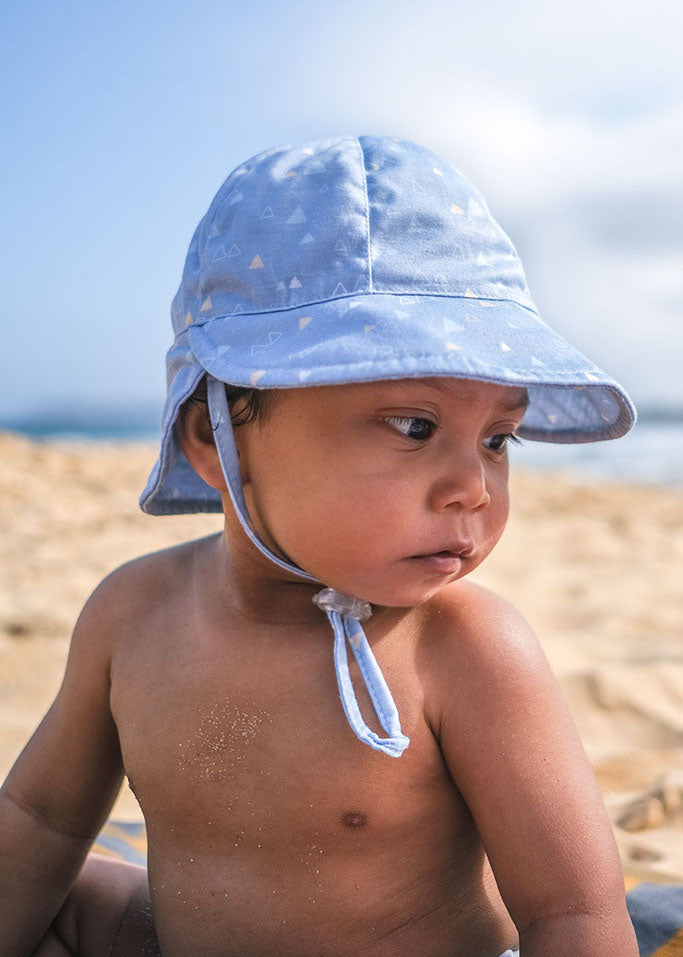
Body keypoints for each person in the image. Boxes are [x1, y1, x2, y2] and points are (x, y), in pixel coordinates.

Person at [0, 135, 639, 956]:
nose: (473, 487)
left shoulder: (465, 648)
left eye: (497, 439)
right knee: (69, 886)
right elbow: (40, 818)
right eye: (415, 425)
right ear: (214, 438)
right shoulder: (133, 614)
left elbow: (572, 913)